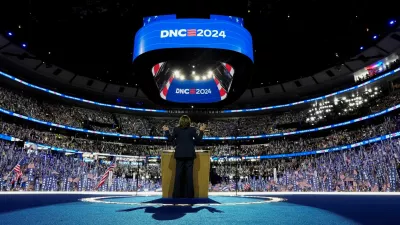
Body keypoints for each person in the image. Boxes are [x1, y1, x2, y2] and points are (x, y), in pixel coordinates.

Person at [163, 115, 206, 198]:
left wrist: (167, 131)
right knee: (189, 176)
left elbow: (170, 139)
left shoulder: (176, 129)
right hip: (190, 155)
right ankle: (189, 196)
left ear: (180, 121)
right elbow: (198, 140)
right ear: (189, 122)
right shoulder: (192, 129)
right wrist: (201, 131)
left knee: (178, 175)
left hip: (179, 155)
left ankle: (177, 195)